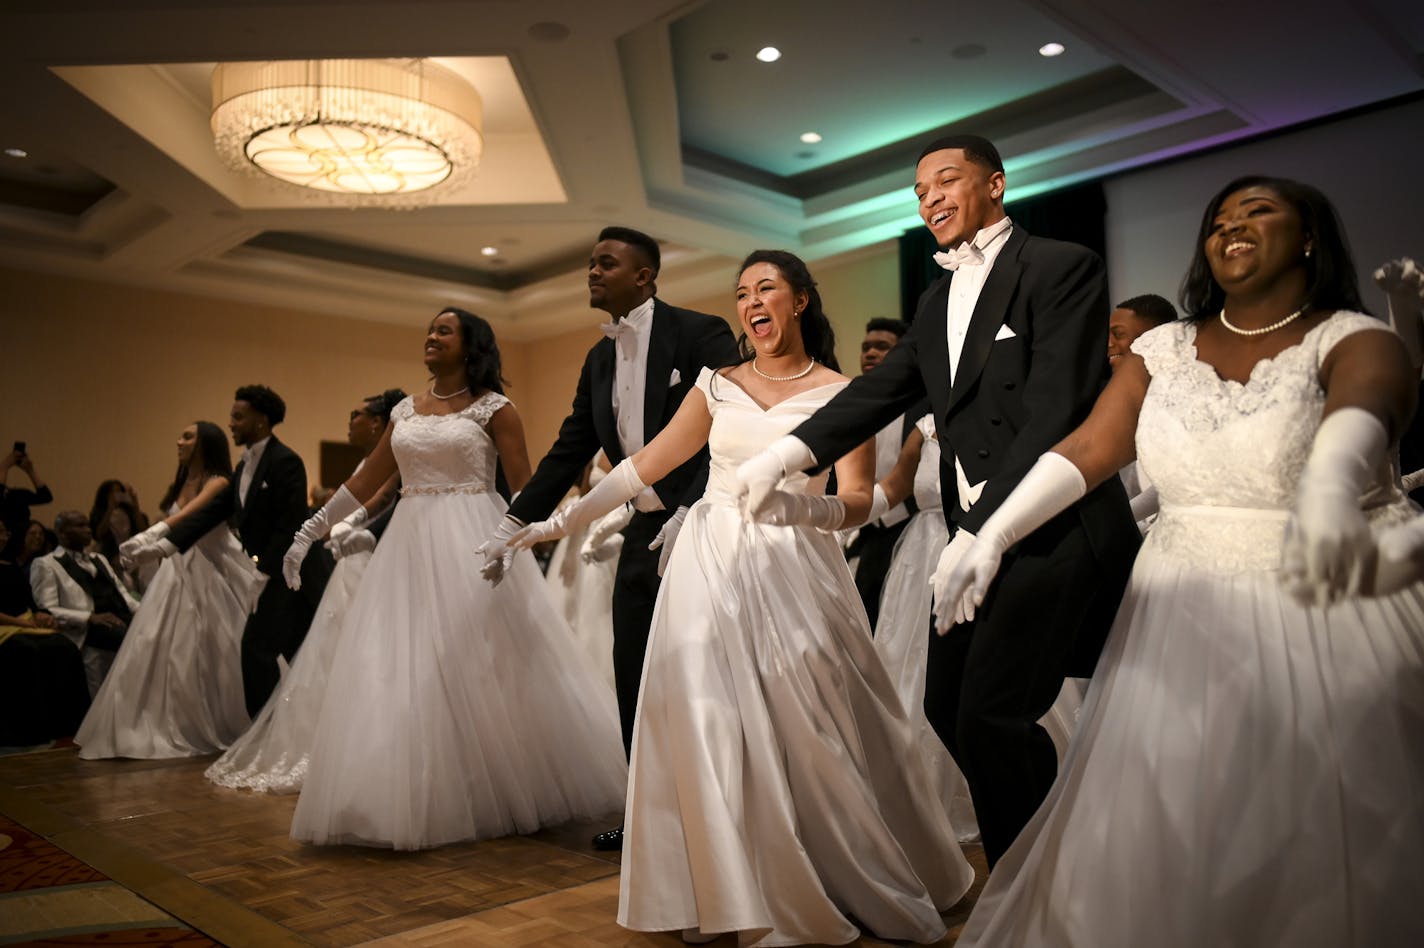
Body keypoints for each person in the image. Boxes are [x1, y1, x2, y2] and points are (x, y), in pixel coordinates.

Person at [937, 176, 1424, 946]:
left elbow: (1366, 408)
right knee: (1177, 814)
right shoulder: (1162, 350)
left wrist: (1331, 487)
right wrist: (993, 534)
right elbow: (1091, 449)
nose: (1231, 227)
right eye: (1219, 219)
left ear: (1308, 238)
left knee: (1312, 822)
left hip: (1318, 603)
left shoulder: (1354, 337)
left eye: (1258, 212)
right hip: (1178, 611)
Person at [509, 251, 974, 946]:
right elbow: (647, 464)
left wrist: (808, 515)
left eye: (767, 289)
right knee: (707, 718)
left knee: (811, 724)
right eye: (742, 293)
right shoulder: (715, 384)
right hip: (710, 562)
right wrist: (554, 521)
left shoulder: (842, 393)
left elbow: (854, 497)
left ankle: (823, 871)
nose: (752, 302)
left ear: (801, 302)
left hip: (796, 566)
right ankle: (726, 882)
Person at [734, 134, 1141, 867]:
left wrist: (981, 529)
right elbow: (877, 394)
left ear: (996, 185)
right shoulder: (934, 298)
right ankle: (1057, 844)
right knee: (944, 706)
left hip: (1051, 526)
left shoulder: (1061, 267)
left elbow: (1056, 411)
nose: (930, 200)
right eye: (919, 192)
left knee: (990, 714)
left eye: (945, 182)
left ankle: (1030, 881)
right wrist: (783, 455)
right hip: (970, 532)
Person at [279, 309, 624, 849]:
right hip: (408, 545)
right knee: (397, 662)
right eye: (429, 330)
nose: (431, 338)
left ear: (471, 346)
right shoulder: (403, 411)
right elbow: (367, 476)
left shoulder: (496, 410)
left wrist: (518, 542)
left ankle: (489, 783)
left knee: (478, 660)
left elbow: (526, 486)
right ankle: (395, 792)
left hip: (474, 537)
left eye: (444, 331)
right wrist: (311, 530)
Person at [476, 225, 739, 851]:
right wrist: (516, 521)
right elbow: (572, 447)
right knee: (634, 674)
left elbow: (725, 426)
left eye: (606, 263)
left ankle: (717, 817)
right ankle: (647, 815)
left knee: (699, 674)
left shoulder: (700, 333)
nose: (592, 272)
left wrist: (694, 507)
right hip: (641, 532)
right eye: (591, 263)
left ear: (643, 275)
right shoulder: (599, 358)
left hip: (697, 529)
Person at [207, 389, 405, 792]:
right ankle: (291, 732)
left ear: (377, 423)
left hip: (365, 559)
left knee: (329, 649)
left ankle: (351, 735)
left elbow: (390, 497)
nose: (349, 422)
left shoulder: (290, 462)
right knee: (315, 652)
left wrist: (352, 530)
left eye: (356, 414)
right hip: (341, 557)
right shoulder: (367, 461)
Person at [128, 384, 327, 716]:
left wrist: (263, 572)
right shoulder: (244, 465)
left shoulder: (285, 461)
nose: (231, 423)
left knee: (259, 649)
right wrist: (162, 545)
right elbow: (213, 511)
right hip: (269, 572)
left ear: (261, 420)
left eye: (238, 416)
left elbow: (289, 525)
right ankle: (287, 728)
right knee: (290, 651)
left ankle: (265, 734)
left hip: (292, 574)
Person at [76, 422, 258, 759]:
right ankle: (150, 719)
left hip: (212, 568)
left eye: (188, 437)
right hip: (176, 568)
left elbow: (188, 517)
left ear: (206, 444)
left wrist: (149, 537)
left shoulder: (217, 481)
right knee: (155, 642)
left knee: (208, 644)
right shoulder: (183, 480)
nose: (180, 441)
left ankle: (211, 719)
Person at [848, 316, 919, 627]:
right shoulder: (852, 405)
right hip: (867, 530)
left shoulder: (924, 404)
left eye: (882, 347)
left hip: (912, 526)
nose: (870, 354)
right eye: (866, 347)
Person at [29, 510, 140, 696]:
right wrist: (90, 617)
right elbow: (47, 608)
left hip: (118, 617)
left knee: (151, 631)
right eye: (80, 526)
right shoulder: (46, 564)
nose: (88, 530)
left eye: (87, 525)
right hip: (86, 628)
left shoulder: (99, 559)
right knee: (126, 638)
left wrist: (146, 611)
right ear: (62, 532)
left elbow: (123, 595)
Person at [0, 519, 89, 746]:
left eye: (5, 531)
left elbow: (28, 601)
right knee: (25, 651)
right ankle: (28, 729)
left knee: (63, 646)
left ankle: (70, 724)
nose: (4, 536)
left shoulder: (9, 566)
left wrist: (41, 614)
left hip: (23, 622)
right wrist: (22, 623)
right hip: (6, 626)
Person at [1108, 293, 1179, 528]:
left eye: (1118, 334)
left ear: (1154, 336)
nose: (1108, 344)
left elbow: (1174, 481)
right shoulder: (1115, 401)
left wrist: (1119, 521)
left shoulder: (1180, 398)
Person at [0, 447, 53, 560]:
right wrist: (5, 466)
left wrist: (30, 470)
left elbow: (46, 497)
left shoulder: (14, 494)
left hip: (24, 544)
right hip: (6, 545)